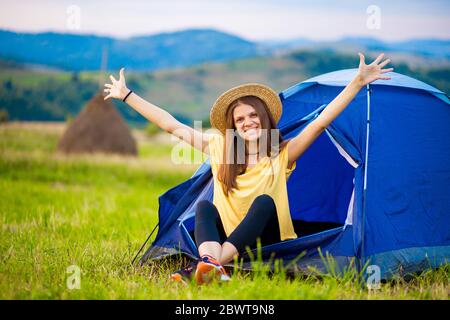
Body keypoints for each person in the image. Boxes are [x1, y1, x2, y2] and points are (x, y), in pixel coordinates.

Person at [104, 53, 393, 285]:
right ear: (234, 126)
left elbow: (319, 124)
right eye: (240, 119)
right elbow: (171, 125)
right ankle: (211, 264)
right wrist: (127, 95)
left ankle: (213, 264)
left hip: (266, 241)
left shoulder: (281, 154)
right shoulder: (220, 148)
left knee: (264, 202)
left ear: (265, 119)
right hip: (228, 238)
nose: (248, 122)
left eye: (254, 115)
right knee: (204, 207)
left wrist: (356, 83)